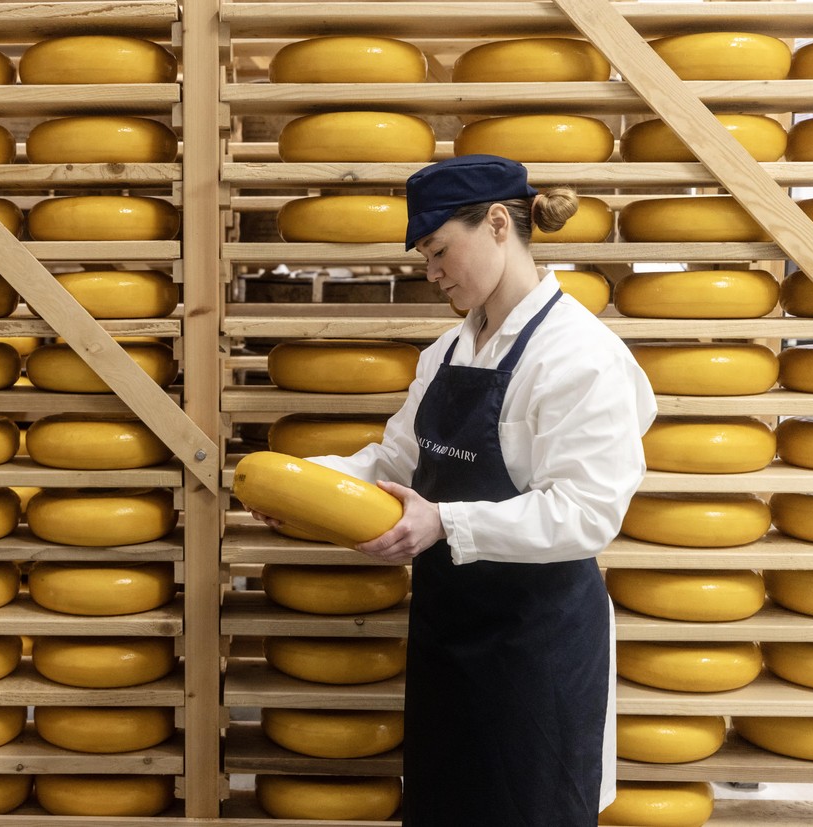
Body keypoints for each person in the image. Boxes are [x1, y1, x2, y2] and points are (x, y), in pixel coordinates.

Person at [253, 154, 657, 825]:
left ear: (498, 223)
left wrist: (445, 523)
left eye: (439, 250)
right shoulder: (445, 352)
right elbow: (397, 462)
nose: (432, 272)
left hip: (537, 644)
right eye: (424, 257)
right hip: (448, 629)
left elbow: (587, 512)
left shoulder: (580, 355)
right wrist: (302, 488)